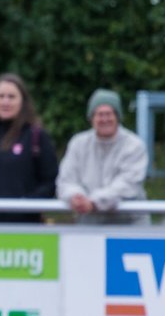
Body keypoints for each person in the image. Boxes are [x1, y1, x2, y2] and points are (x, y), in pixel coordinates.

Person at [0, 73, 59, 223]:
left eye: (11, 96)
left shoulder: (36, 136)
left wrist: (26, 204)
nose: (5, 101)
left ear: (22, 101)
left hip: (23, 229)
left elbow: (50, 181)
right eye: (0, 96)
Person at [55, 89, 149, 225]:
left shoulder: (134, 145)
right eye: (99, 114)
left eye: (109, 114)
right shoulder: (78, 143)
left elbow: (127, 184)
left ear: (118, 117)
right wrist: (76, 197)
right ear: (91, 118)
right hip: (89, 224)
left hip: (128, 225)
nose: (104, 119)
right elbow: (66, 180)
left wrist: (94, 202)